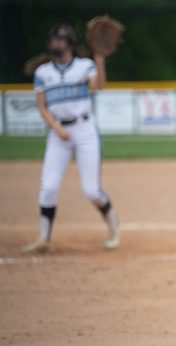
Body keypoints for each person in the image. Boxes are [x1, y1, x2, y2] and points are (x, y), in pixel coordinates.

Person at [22, 23, 120, 254]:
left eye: (60, 39)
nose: (55, 43)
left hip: (85, 130)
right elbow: (42, 107)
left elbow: (100, 86)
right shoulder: (43, 72)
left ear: (70, 44)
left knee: (92, 191)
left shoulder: (84, 66)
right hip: (58, 134)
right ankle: (44, 238)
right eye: (53, 39)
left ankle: (114, 225)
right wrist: (56, 127)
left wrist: (100, 60)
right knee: (48, 188)